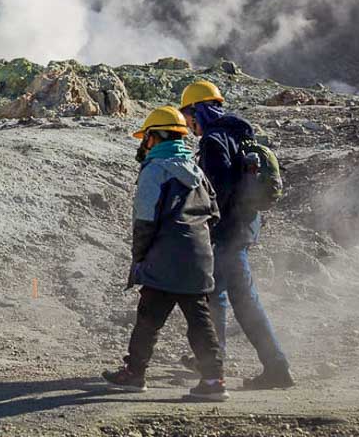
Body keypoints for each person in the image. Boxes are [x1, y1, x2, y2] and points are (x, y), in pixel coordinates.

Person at [102, 106, 228, 402]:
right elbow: (214, 214)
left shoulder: (154, 170)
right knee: (199, 320)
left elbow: (144, 221)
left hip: (164, 257)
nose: (143, 144)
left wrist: (140, 257)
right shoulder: (196, 171)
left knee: (148, 318)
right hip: (199, 258)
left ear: (156, 137)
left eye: (146, 137)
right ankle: (213, 380)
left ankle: (134, 375)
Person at [180, 80, 294, 390]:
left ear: (197, 110)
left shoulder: (214, 141)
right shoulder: (235, 134)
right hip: (243, 227)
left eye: (188, 116)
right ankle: (216, 359)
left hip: (227, 233)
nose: (188, 125)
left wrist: (208, 226)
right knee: (229, 297)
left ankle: (273, 367)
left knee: (230, 299)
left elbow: (218, 190)